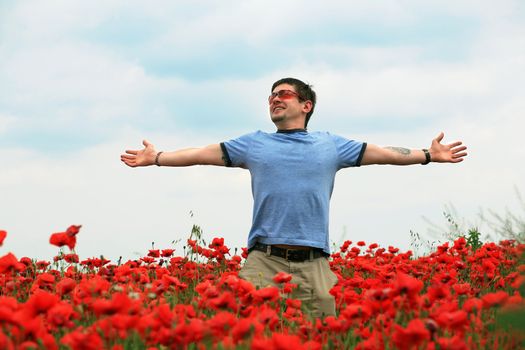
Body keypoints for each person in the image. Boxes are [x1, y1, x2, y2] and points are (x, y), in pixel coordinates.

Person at [120, 77, 467, 318]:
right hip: (263, 260)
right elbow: (202, 153)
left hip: (315, 263)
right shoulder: (254, 143)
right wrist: (158, 157)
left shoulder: (330, 145)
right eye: (271, 95)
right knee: (248, 332)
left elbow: (383, 152)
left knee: (323, 335)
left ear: (306, 104)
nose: (274, 99)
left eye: (283, 94)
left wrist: (427, 154)